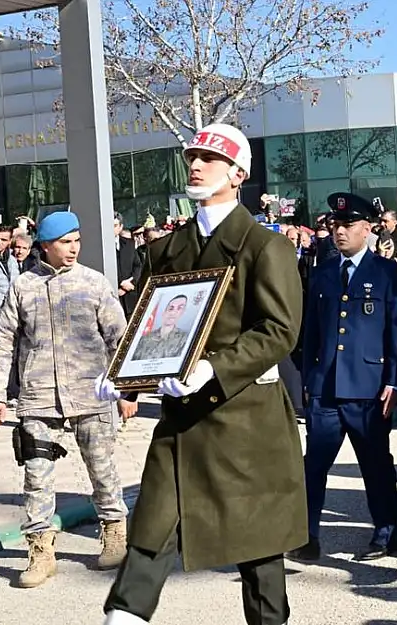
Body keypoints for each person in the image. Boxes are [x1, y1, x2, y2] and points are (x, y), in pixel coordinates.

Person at [96, 123, 305, 625]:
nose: (195, 165)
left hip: (244, 417)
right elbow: (152, 326)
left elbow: (279, 331)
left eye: (209, 159)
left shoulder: (263, 246)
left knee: (259, 548)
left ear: (237, 174)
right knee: (152, 527)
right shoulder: (166, 251)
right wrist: (124, 372)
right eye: (192, 156)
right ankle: (122, 617)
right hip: (183, 419)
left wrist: (213, 368)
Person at [0, 211, 133, 589]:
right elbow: (2, 342)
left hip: (90, 395)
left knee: (101, 469)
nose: (73, 248)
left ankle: (115, 533)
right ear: (45, 245)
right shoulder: (23, 287)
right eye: (65, 242)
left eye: (77, 240)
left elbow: (120, 339)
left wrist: (127, 391)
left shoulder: (95, 283)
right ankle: (40, 550)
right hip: (38, 398)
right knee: (36, 476)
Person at [292, 192, 397, 562]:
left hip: (368, 387)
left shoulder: (387, 272)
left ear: (367, 229)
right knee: (314, 465)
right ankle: (306, 534)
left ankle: (386, 533)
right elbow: (310, 329)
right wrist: (308, 379)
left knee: (375, 464)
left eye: (347, 226)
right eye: (334, 226)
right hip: (326, 387)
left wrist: (395, 380)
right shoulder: (324, 271)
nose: (339, 232)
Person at [130, 294, 191, 361]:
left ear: (182, 313)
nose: (173, 312)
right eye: (171, 308)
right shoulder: (145, 339)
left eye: (179, 308)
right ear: (164, 311)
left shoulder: (185, 339)